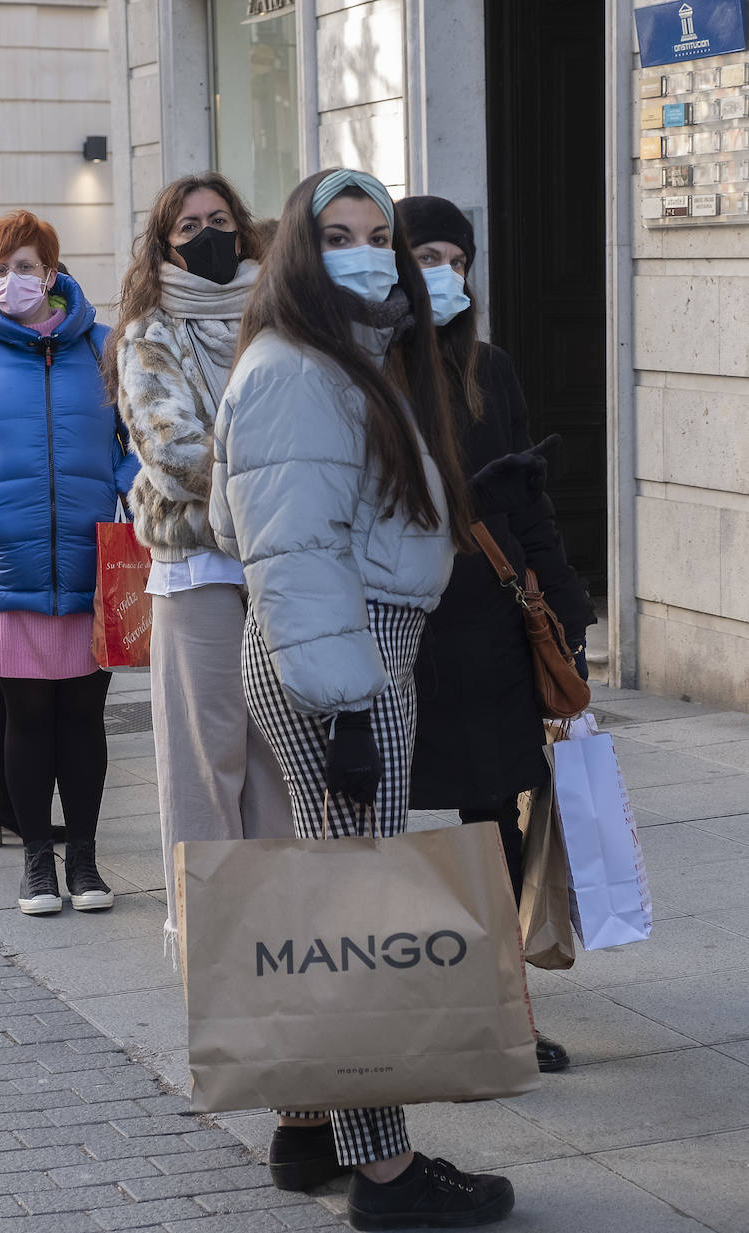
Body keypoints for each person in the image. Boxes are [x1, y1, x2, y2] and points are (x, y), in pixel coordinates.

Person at [210, 168, 527, 1228]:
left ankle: (309, 1122)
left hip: (343, 646)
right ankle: (385, 1174)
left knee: (332, 893)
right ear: (300, 247)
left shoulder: (348, 356)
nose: (362, 248)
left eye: (376, 232)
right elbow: (290, 550)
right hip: (340, 657)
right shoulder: (299, 366)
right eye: (336, 232)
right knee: (359, 914)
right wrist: (347, 699)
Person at [400, 193, 597, 1076]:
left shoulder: (495, 369)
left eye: (454, 256)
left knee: (494, 820)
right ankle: (405, 995)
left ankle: (501, 999)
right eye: (422, 255)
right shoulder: (368, 371)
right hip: (403, 626)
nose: (442, 271)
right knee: (398, 818)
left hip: (493, 623)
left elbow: (528, 503)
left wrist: (567, 608)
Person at [0, 210, 140, 917]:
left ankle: (86, 861)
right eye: (2, 268)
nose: (16, 279)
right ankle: (37, 862)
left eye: (29, 266)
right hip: (4, 566)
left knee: (85, 718)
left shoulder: (103, 346)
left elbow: (142, 437)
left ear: (54, 272)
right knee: (27, 718)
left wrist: (125, 481)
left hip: (88, 562)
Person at [107, 171, 288, 964]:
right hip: (199, 565)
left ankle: (283, 929)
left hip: (279, 563)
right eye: (189, 227)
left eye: (220, 220)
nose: (208, 234)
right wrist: (280, 484)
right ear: (164, 244)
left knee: (277, 753)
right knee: (204, 762)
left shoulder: (275, 315)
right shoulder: (149, 331)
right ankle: (211, 941)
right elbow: (172, 448)